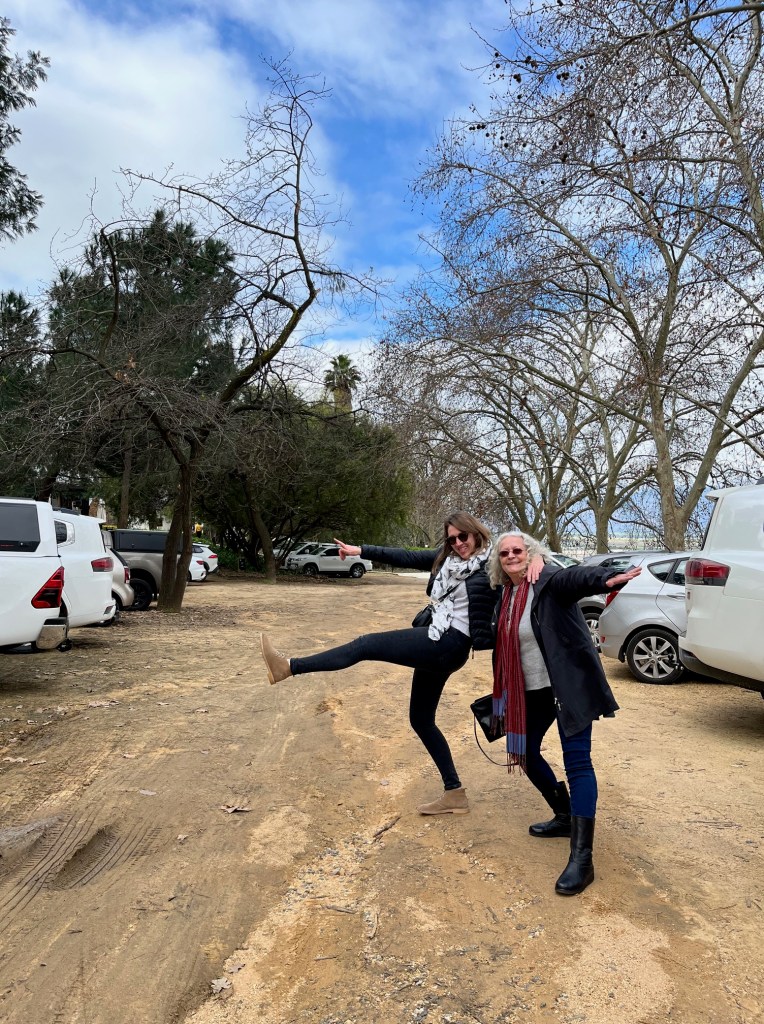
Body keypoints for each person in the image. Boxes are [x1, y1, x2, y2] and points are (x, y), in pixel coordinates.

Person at [259, 512, 542, 816]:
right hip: (438, 638)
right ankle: (454, 793)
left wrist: (538, 557)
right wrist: (360, 550)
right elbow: (405, 555)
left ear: (475, 533)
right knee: (421, 719)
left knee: (365, 645)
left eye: (463, 536)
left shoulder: (491, 562)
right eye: (452, 539)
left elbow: (521, 552)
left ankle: (289, 666)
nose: (458, 543)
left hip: (450, 644)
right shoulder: (446, 560)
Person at [486, 532, 641, 896]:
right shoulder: (505, 595)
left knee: (578, 763)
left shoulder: (549, 582)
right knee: (522, 751)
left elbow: (575, 578)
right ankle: (564, 815)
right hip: (530, 692)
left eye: (519, 550)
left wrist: (605, 578)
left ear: (531, 554)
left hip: (567, 686)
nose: (511, 556)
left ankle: (582, 860)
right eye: (505, 553)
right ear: (499, 561)